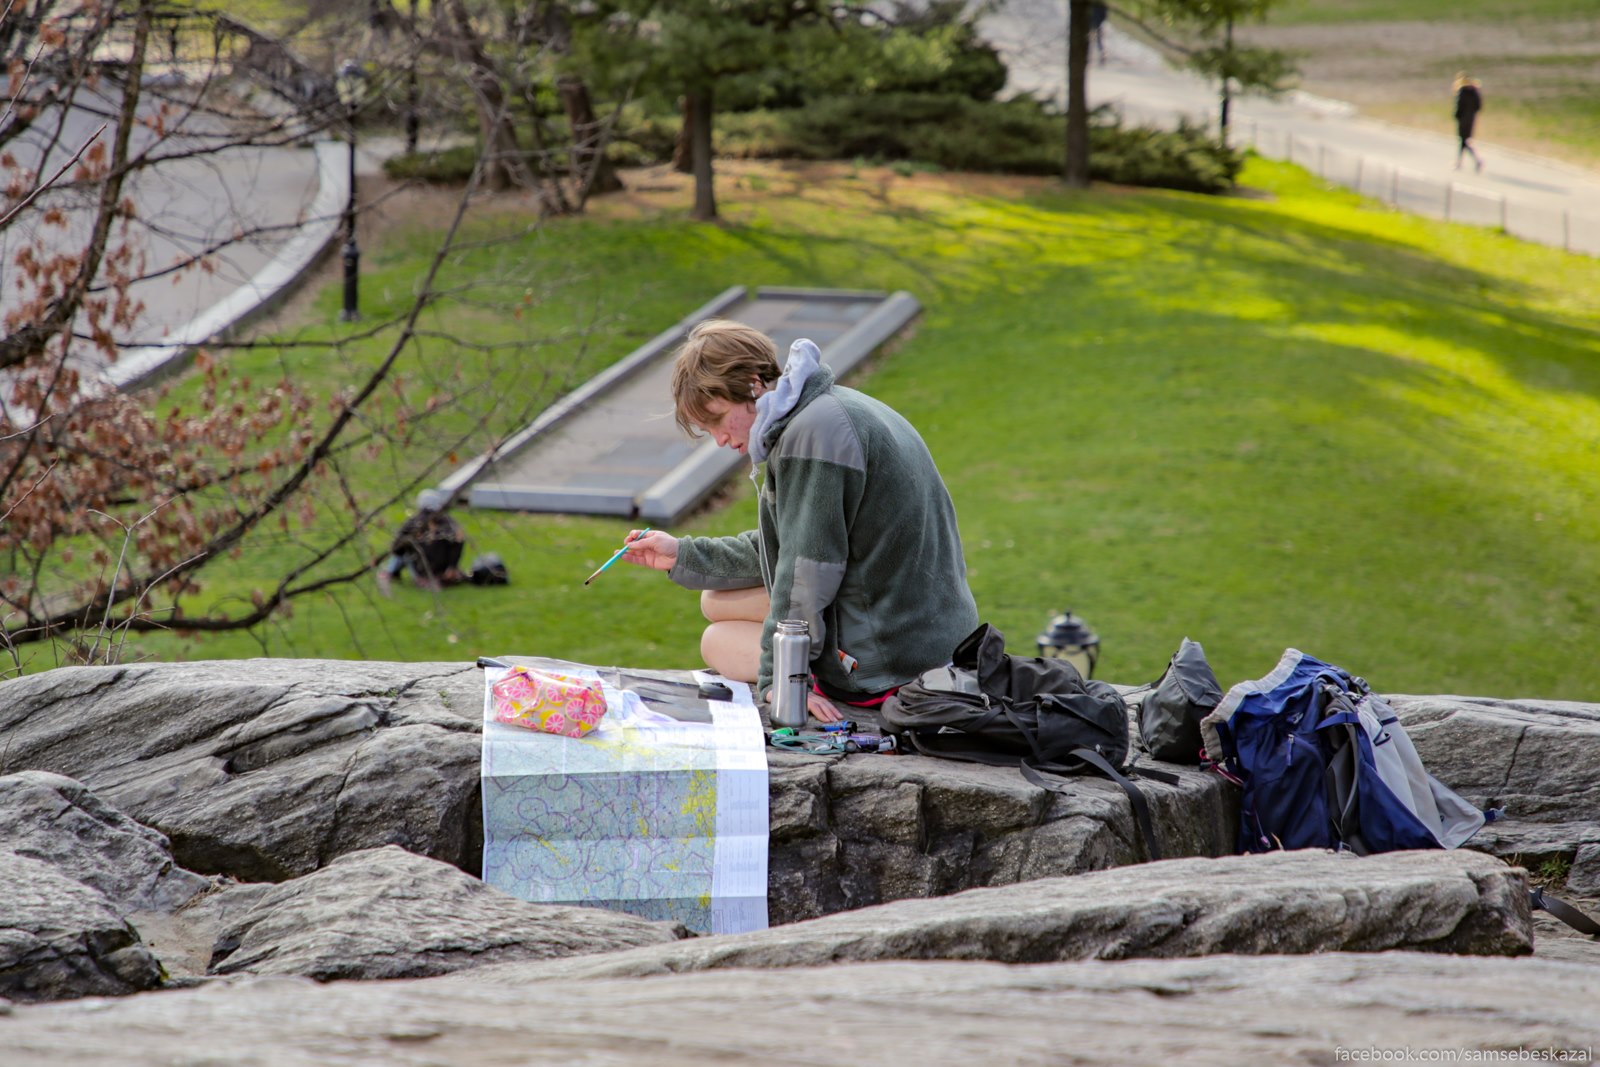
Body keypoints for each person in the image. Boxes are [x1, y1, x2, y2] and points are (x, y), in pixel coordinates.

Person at [620, 320, 980, 724]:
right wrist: (682, 554)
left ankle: (834, 671)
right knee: (714, 598)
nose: (720, 439)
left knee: (717, 641)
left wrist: (785, 681)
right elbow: (787, 543)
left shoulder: (812, 438)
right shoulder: (831, 408)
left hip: (893, 655)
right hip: (925, 624)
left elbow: (806, 572)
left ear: (754, 385)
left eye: (718, 419)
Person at [376, 501, 466, 596]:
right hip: (443, 571)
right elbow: (458, 543)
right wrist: (452, 566)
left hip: (423, 571)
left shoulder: (414, 523)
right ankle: (391, 572)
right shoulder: (449, 524)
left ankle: (389, 572)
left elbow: (397, 549)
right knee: (405, 547)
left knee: (404, 550)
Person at [1453, 72, 1483, 172]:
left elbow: (1459, 107)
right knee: (1465, 141)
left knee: (1463, 141)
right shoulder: (1475, 92)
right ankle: (1460, 162)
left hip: (1463, 120)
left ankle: (1472, 161)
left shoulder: (1462, 92)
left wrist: (1457, 116)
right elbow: (1479, 106)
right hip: (1471, 119)